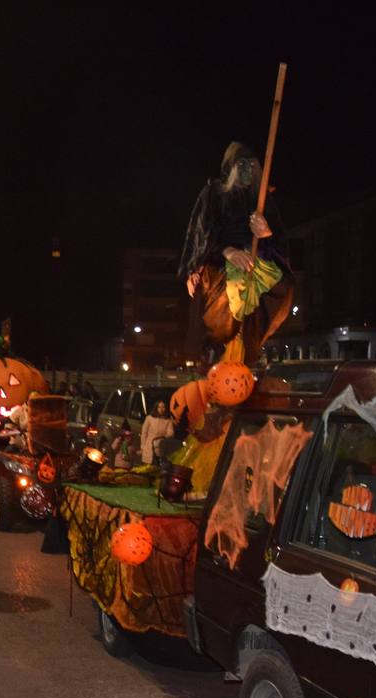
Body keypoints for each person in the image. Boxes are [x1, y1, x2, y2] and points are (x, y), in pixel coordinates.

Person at [179, 141, 294, 364]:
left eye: (252, 165)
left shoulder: (262, 199)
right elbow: (200, 234)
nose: (247, 171)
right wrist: (226, 251)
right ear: (230, 168)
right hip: (219, 263)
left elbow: (280, 239)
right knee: (226, 298)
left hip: (257, 262)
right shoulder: (213, 194)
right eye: (242, 165)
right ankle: (216, 354)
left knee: (278, 288)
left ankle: (247, 353)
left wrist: (265, 233)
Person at [139, 400, 175, 465]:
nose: (161, 409)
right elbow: (144, 433)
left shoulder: (168, 420)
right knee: (147, 466)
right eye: (159, 407)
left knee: (158, 466)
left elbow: (171, 432)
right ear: (156, 408)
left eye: (163, 407)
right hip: (149, 446)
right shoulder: (149, 418)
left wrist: (164, 436)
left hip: (161, 446)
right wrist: (143, 446)